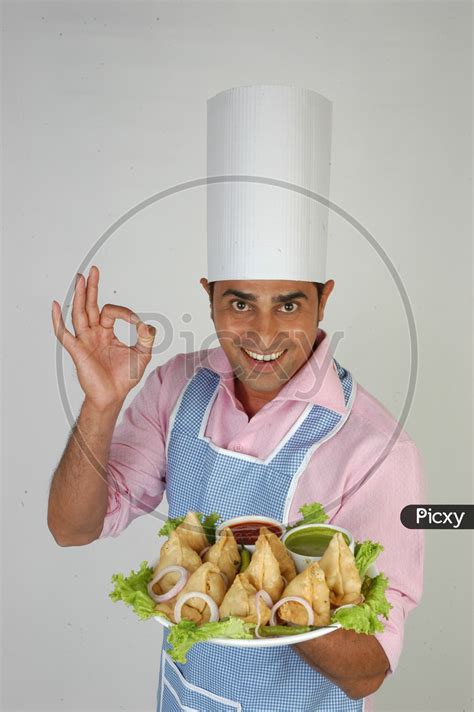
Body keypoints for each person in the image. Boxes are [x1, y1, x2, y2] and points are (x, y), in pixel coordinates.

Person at [48, 85, 425, 712]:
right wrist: (102, 402)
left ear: (324, 298)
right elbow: (71, 527)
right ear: (210, 295)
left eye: (291, 304)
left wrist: (271, 577)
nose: (265, 335)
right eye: (240, 302)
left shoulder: (376, 448)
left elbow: (368, 673)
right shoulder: (175, 387)